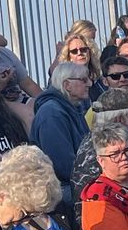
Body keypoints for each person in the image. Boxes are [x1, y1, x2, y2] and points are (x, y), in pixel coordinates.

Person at [31, 60, 95, 193]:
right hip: (61, 191)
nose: (90, 83)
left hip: (75, 183)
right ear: (67, 85)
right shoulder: (52, 114)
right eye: (83, 80)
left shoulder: (72, 108)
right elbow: (63, 166)